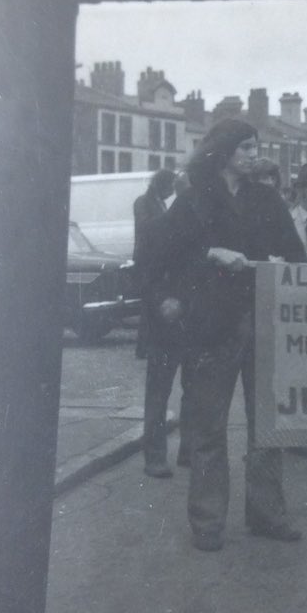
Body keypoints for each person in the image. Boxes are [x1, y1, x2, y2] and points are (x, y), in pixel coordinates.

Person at [140, 118, 307, 552]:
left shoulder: (267, 199)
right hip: (210, 328)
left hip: (263, 319)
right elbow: (157, 260)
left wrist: (279, 262)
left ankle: (267, 514)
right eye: (247, 147)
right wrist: (208, 256)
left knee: (267, 425)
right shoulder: (192, 200)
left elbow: (296, 256)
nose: (255, 154)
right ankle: (208, 522)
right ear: (224, 152)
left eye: (256, 147)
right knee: (208, 428)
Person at [133, 168, 187, 479]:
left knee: (186, 389)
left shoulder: (165, 207)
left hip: (184, 314)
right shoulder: (149, 210)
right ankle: (154, 455)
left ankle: (186, 450)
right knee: (158, 390)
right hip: (162, 316)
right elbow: (144, 263)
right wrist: (161, 300)